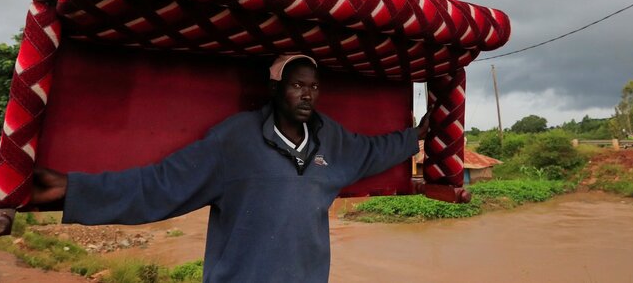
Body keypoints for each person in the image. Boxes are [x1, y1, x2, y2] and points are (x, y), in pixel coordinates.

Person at [32, 54, 430, 283]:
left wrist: (416, 136)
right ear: (274, 89)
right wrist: (73, 189)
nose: (307, 93)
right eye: (296, 85)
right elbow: (160, 186)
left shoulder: (333, 141)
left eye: (313, 86)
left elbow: (375, 150)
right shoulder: (235, 140)